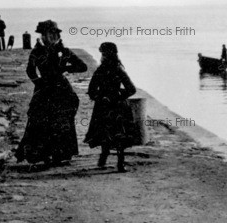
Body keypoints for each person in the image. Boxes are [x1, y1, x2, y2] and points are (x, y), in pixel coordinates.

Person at [15, 20, 87, 166]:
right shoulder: (37, 51)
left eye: (55, 34)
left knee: (62, 120)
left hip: (62, 89)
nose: (51, 37)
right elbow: (30, 70)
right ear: (43, 35)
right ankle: (43, 155)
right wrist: (38, 82)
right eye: (48, 34)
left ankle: (60, 154)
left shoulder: (63, 51)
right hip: (44, 89)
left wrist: (67, 68)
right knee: (40, 120)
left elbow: (83, 67)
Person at [84, 42, 136, 172]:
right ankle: (119, 163)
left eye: (104, 53)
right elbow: (131, 90)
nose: (103, 56)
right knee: (118, 134)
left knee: (105, 132)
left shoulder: (101, 70)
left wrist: (101, 98)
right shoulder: (118, 70)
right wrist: (118, 96)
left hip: (104, 106)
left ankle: (104, 157)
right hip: (117, 106)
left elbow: (91, 91)